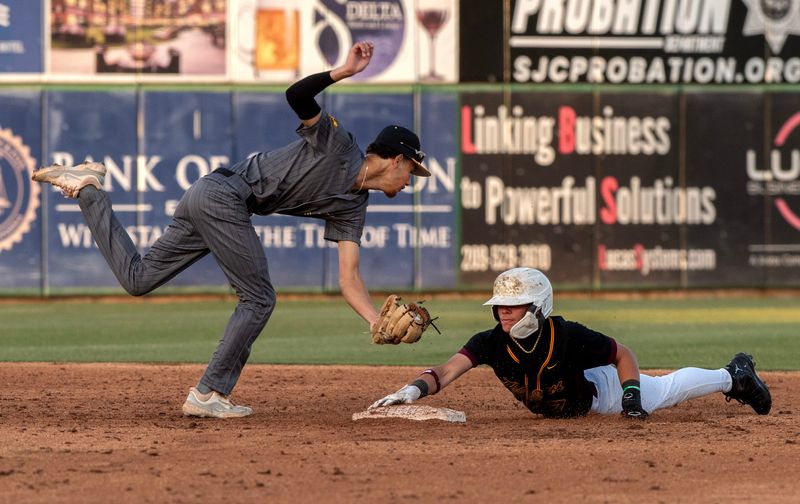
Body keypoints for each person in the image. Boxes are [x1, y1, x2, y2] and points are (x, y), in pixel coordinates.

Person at [32, 41, 432, 419]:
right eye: (412, 170)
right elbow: (297, 96)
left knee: (138, 279)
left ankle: (88, 190)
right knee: (259, 299)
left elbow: (350, 278)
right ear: (396, 160)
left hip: (210, 198)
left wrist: (373, 321)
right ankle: (208, 393)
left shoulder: (354, 205)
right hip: (224, 195)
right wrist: (343, 71)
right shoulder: (339, 146)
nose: (411, 181)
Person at [370, 267, 772, 419]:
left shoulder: (567, 335)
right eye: (500, 306)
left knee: (663, 391)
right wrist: (412, 389)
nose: (504, 313)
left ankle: (732, 374)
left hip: (603, 395)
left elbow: (622, 355)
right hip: (567, 408)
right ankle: (729, 374)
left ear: (538, 306)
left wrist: (631, 396)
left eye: (514, 305)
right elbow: (445, 372)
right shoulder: (489, 343)